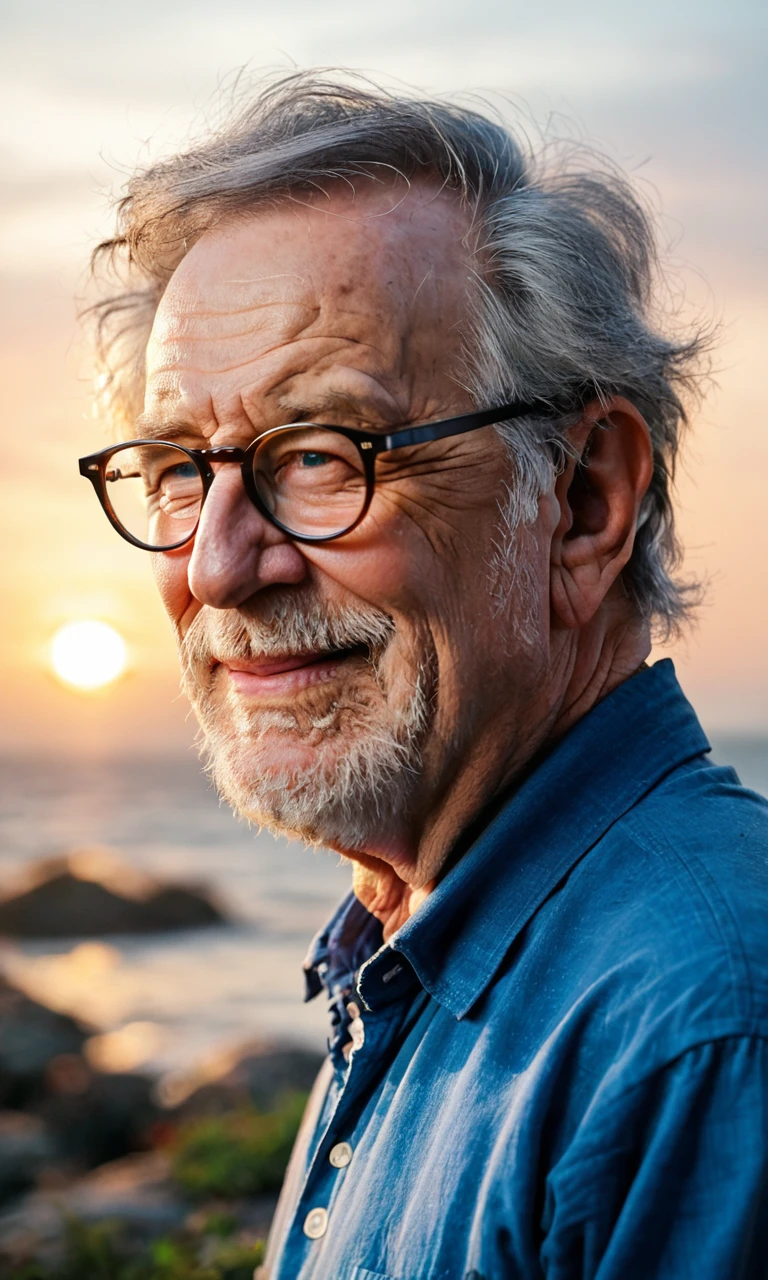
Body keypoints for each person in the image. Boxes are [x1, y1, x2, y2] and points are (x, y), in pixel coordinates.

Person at [79, 73, 768, 1278]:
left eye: (321, 453)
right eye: (179, 468)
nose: (223, 567)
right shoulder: (423, 949)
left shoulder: (702, 1031)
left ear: (583, 500)